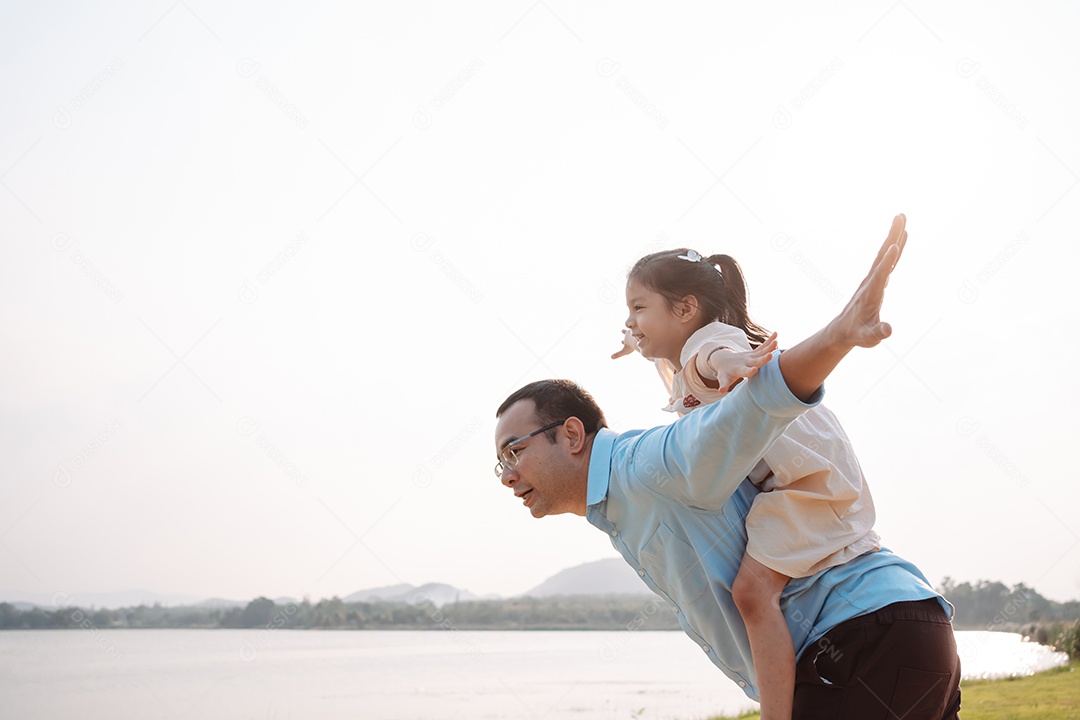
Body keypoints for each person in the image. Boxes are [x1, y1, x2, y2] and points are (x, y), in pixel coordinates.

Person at [493, 215, 962, 720]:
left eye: (514, 451)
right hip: (908, 624)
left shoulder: (662, 445)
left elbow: (744, 387)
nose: (506, 474)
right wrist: (637, 338)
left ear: (571, 434)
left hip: (858, 638)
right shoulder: (644, 457)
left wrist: (837, 336)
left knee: (752, 591)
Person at [609, 249, 881, 720]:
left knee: (752, 594)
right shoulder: (683, 353)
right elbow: (682, 367)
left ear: (686, 309)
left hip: (810, 488)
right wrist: (636, 339)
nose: (630, 320)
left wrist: (731, 363)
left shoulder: (711, 343)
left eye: (638, 307)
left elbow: (711, 358)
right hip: (808, 479)